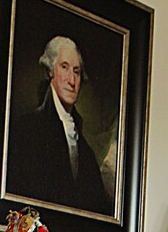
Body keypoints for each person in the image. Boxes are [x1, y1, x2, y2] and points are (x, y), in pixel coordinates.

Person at [7, 36, 111, 214]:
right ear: (50, 71)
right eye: (65, 67)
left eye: (77, 71)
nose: (72, 80)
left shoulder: (86, 152)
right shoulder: (26, 129)